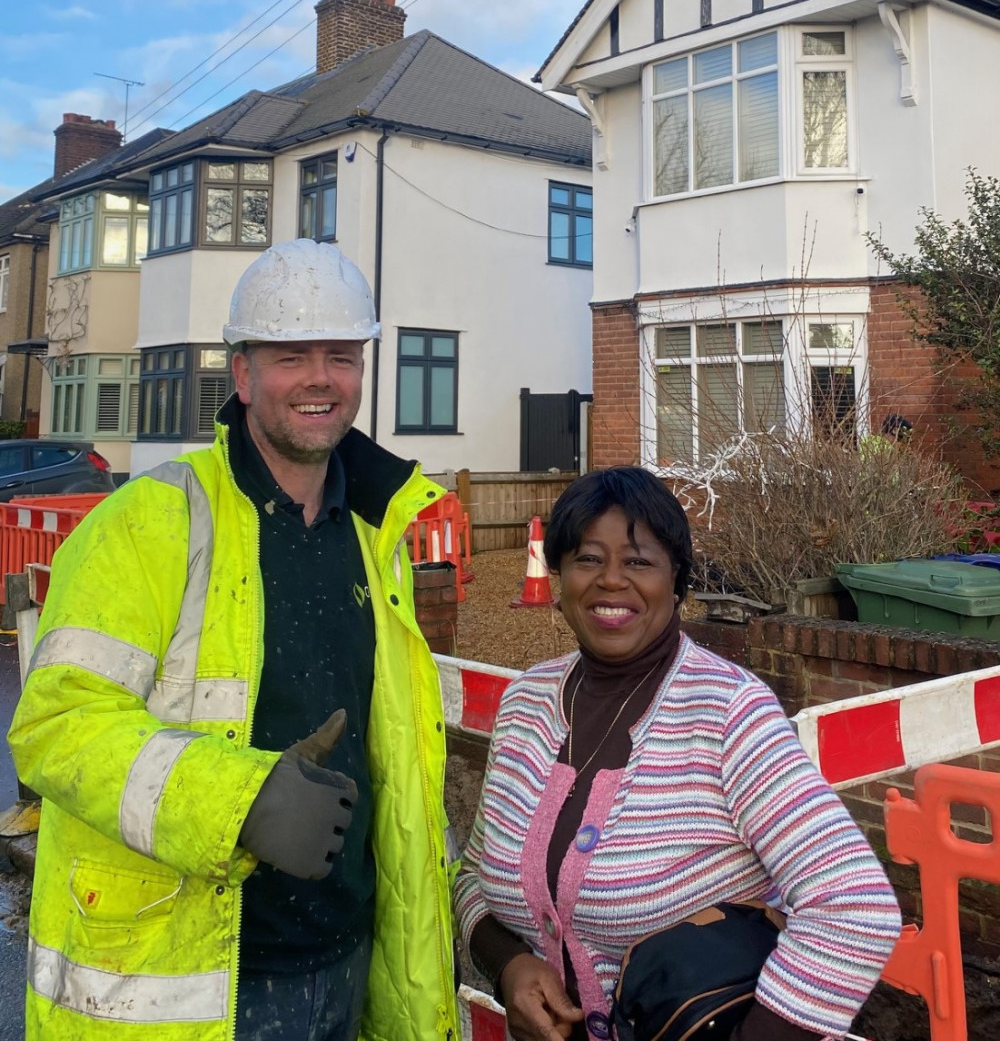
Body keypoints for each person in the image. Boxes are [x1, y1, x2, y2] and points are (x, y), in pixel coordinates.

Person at [8, 239, 458, 1041]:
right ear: (242, 374)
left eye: (342, 355)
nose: (321, 377)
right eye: (291, 355)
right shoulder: (149, 525)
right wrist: (240, 801)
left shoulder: (374, 533)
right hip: (189, 981)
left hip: (345, 962)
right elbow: (56, 726)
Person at [454, 467, 901, 1041]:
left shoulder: (729, 713)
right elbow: (472, 877)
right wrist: (510, 964)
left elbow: (854, 907)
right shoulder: (525, 705)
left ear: (677, 581)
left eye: (639, 561)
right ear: (560, 576)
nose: (611, 581)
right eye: (588, 559)